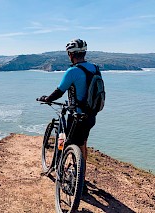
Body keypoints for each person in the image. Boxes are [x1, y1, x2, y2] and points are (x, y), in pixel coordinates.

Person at [37, 38, 97, 194]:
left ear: (71, 55)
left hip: (77, 116)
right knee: (82, 143)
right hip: (91, 115)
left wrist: (46, 99)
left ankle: (68, 177)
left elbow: (59, 91)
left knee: (67, 142)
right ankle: (81, 177)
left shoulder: (73, 71)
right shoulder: (95, 68)